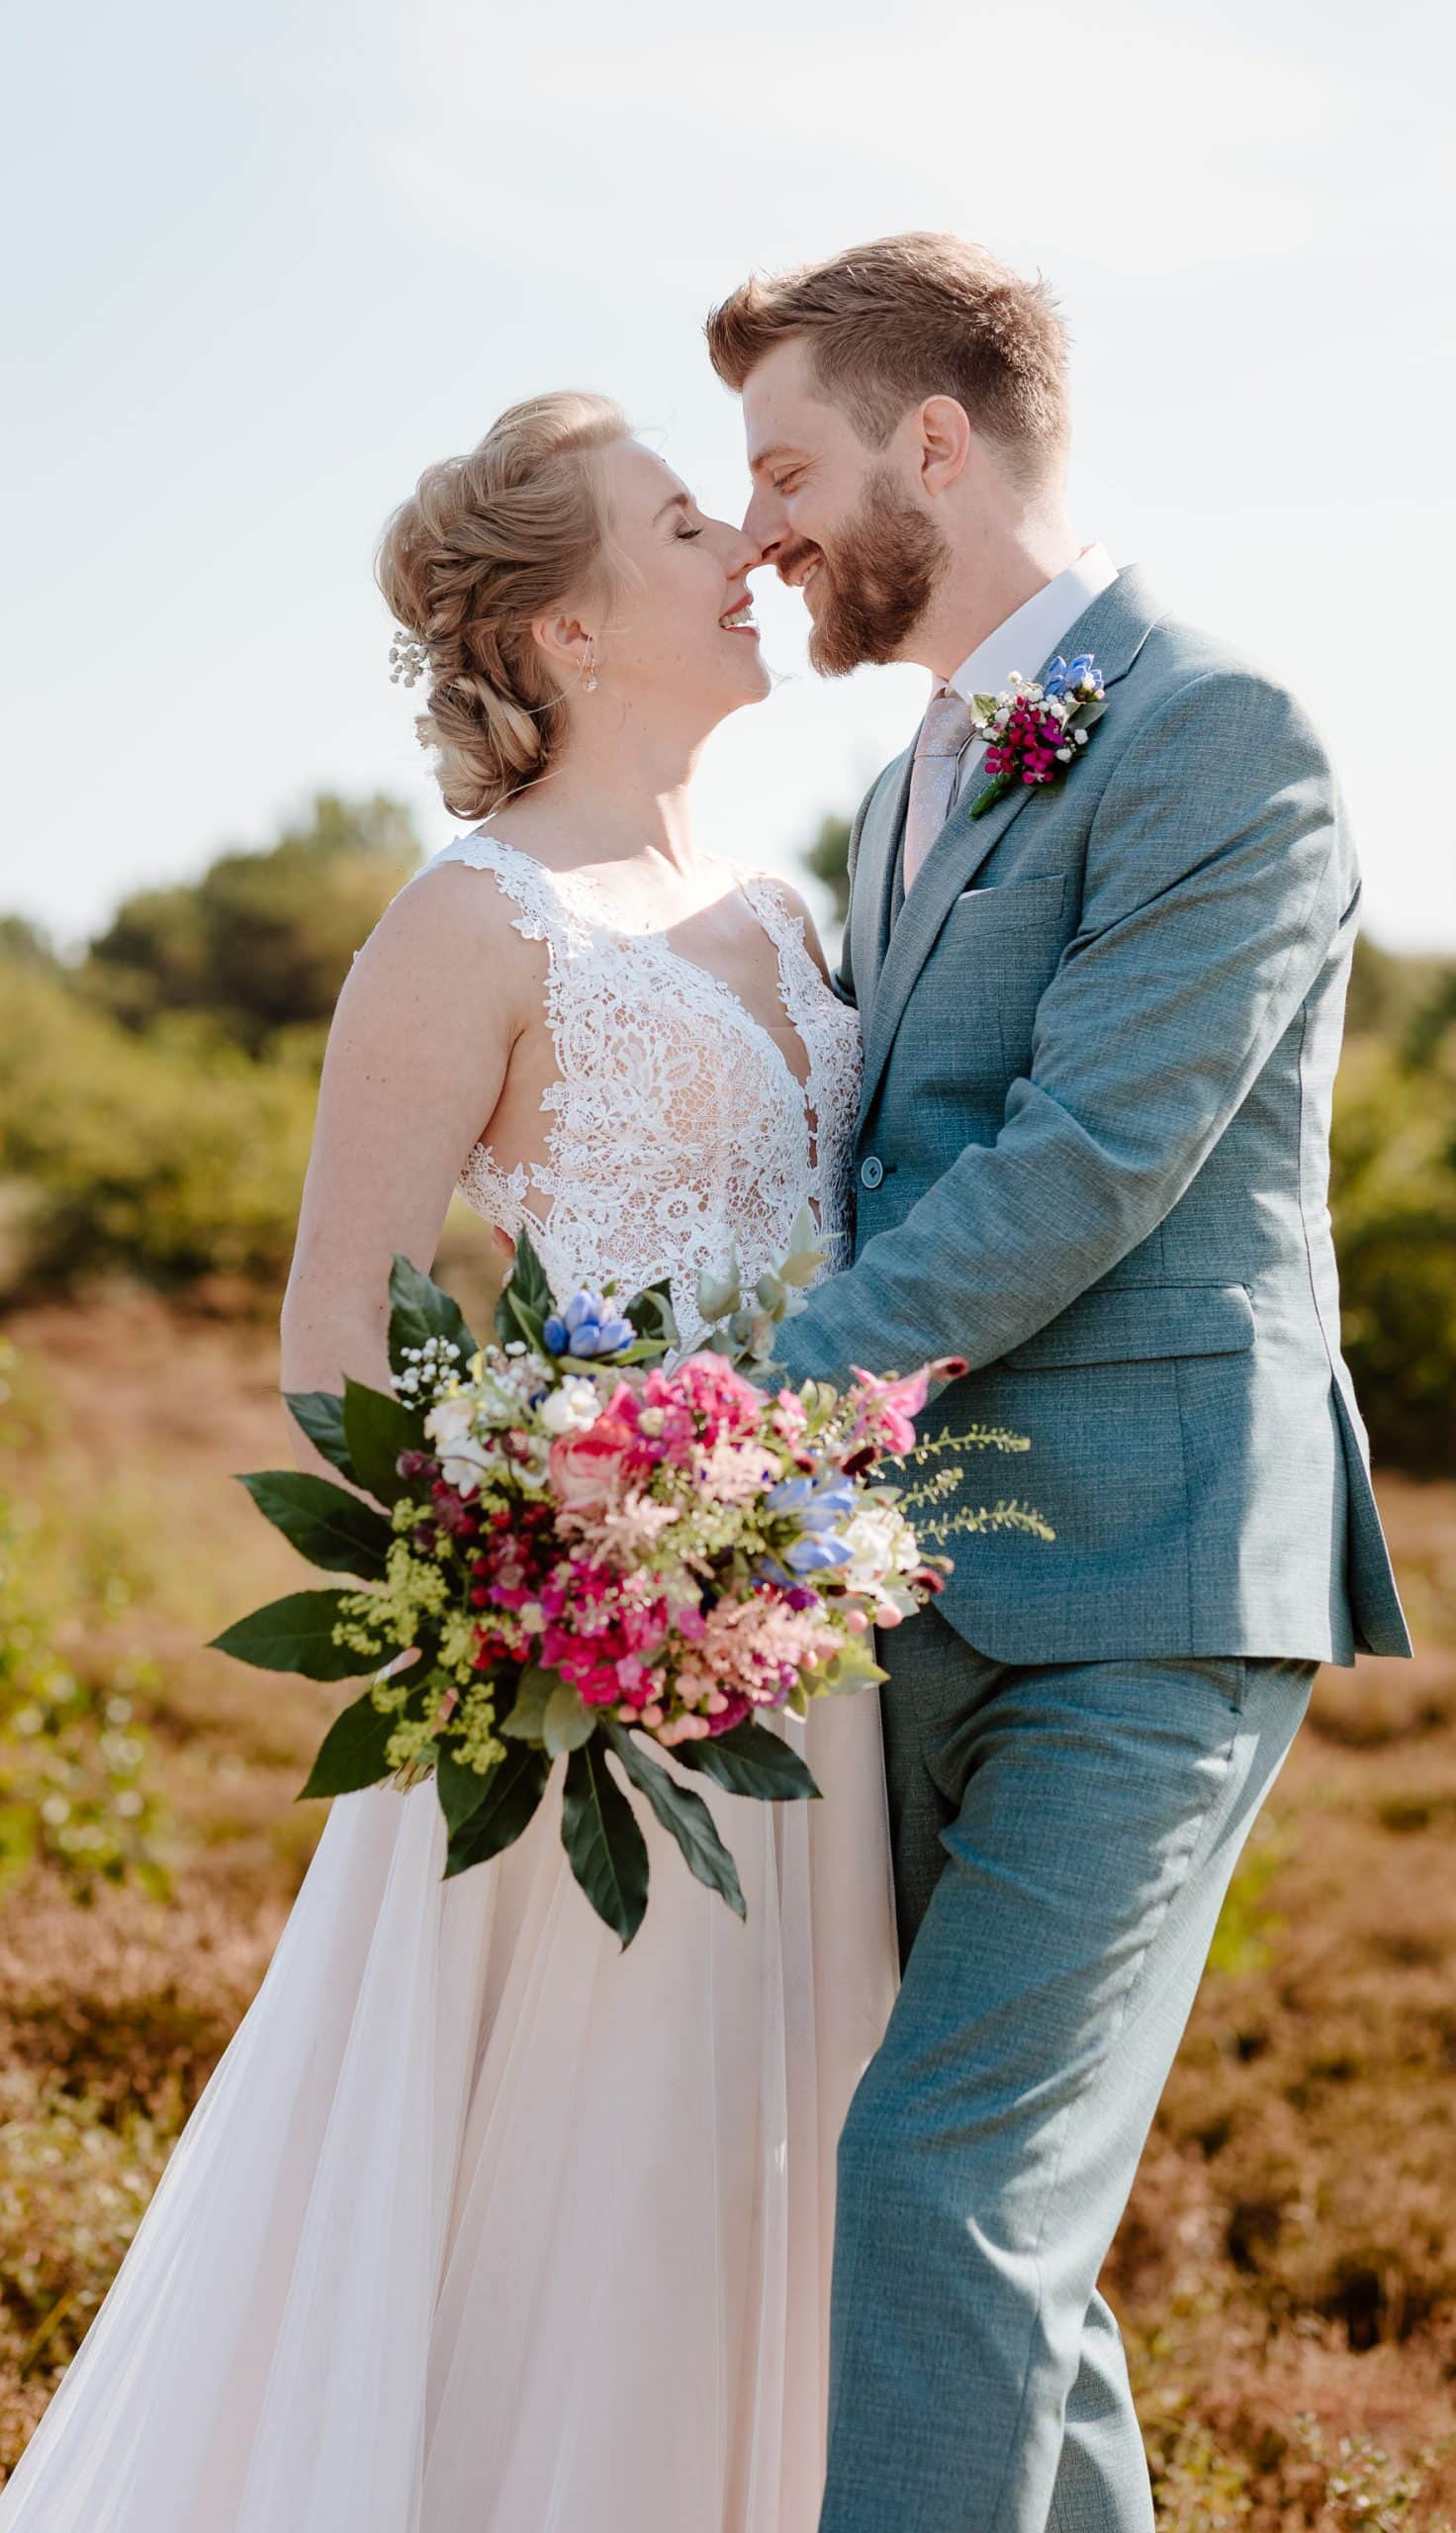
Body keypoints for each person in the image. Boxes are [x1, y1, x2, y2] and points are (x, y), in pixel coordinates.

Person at [0, 392, 896, 2532]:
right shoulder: (465, 926)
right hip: (596, 1693)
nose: (747, 549)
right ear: (572, 630)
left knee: (803, 2174)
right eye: (687, 525)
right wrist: (559, 1555)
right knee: (585, 2215)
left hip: (829, 1674)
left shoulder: (790, 910)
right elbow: (339, 1350)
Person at [701, 233, 1414, 2533]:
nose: (763, 528)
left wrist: (738, 1422)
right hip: (915, 1589)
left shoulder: (1221, 729)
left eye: (788, 465)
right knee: (1005, 2239)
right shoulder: (910, 780)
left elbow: (1092, 1150)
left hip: (1146, 1582)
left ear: (935, 436)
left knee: (936, 2184)